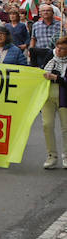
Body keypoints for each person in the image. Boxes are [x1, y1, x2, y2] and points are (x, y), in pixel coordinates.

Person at [42, 36, 67, 170]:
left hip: (64, 97)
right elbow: (40, 69)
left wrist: (56, 78)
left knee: (66, 128)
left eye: (63, 49)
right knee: (47, 125)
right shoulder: (49, 57)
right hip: (47, 97)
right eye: (57, 47)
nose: (59, 51)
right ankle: (51, 156)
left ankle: (66, 156)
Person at [30, 2, 65, 67]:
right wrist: (31, 49)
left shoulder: (60, 25)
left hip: (55, 53)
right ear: (40, 13)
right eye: (43, 11)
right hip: (40, 53)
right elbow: (33, 38)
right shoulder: (36, 25)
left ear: (53, 13)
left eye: (48, 10)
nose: (46, 12)